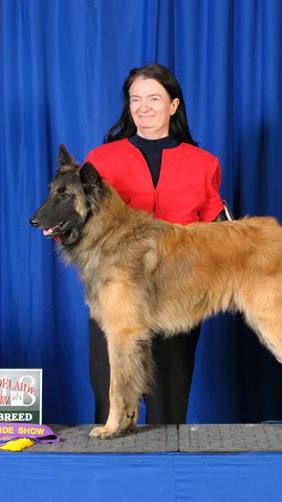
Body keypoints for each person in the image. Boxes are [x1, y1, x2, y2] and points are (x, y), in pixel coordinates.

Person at [84, 63, 225, 426]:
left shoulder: (204, 164)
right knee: (110, 408)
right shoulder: (100, 161)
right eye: (135, 99)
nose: (143, 107)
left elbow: (219, 228)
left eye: (153, 99)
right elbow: (79, 224)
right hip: (116, 292)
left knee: (169, 411)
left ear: (173, 105)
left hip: (179, 292)